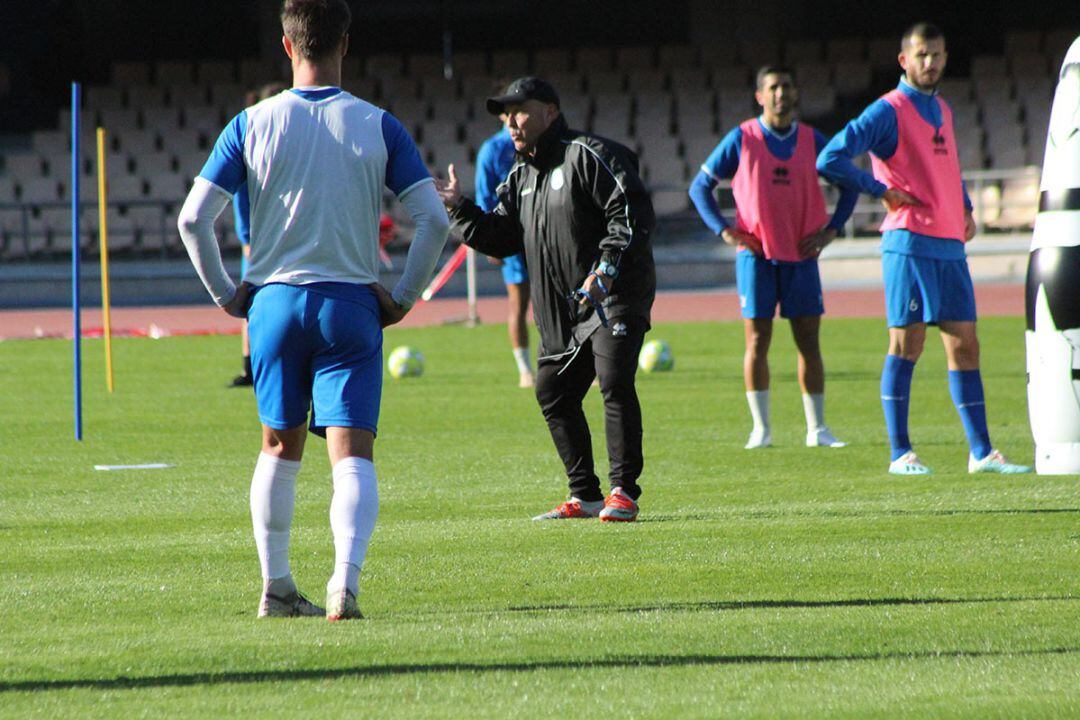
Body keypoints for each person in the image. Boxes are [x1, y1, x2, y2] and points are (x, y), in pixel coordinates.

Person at [177, 0, 449, 620]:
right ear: (345, 44)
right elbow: (432, 218)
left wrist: (228, 294)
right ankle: (342, 587)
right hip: (350, 303)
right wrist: (403, 296)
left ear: (286, 43)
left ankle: (276, 587)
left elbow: (193, 218)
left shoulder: (250, 123)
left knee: (278, 449)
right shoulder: (379, 124)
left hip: (272, 305)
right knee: (352, 454)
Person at [435, 77, 656, 522]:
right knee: (553, 389)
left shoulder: (590, 154)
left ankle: (623, 493)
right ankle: (586, 495)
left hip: (614, 296)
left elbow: (629, 212)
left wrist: (605, 270)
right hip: (563, 310)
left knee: (613, 382)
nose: (510, 121)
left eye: (519, 110)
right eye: (504, 115)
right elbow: (500, 237)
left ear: (550, 112)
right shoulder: (519, 176)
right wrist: (459, 207)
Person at [816, 21, 1030, 475]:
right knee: (907, 343)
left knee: (966, 345)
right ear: (904, 60)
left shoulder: (944, 111)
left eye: (937, 55)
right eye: (922, 55)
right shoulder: (888, 110)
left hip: (949, 242)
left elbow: (948, 168)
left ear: (945, 57)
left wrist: (966, 206)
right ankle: (900, 454)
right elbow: (830, 156)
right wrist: (879, 190)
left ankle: (982, 453)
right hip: (909, 241)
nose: (930, 63)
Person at [689, 65, 859, 450]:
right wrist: (725, 230)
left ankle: (817, 429)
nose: (780, 93)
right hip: (757, 258)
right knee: (757, 342)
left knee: (809, 344)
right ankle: (761, 430)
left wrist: (832, 229)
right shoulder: (742, 138)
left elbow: (849, 182)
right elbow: (700, 187)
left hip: (801, 256)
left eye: (786, 86)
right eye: (773, 88)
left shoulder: (814, 140)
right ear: (760, 96)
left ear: (795, 93)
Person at [230, 81, 287, 388]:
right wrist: (248, 240)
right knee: (253, 303)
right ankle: (251, 368)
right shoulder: (250, 144)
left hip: (287, 237)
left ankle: (274, 366)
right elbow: (241, 198)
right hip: (260, 240)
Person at [475, 120, 535, 388]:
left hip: (544, 232)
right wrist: (491, 240)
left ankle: (575, 366)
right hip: (512, 236)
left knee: (564, 300)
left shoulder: (540, 141)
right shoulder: (493, 149)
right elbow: (484, 195)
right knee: (519, 304)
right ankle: (525, 370)